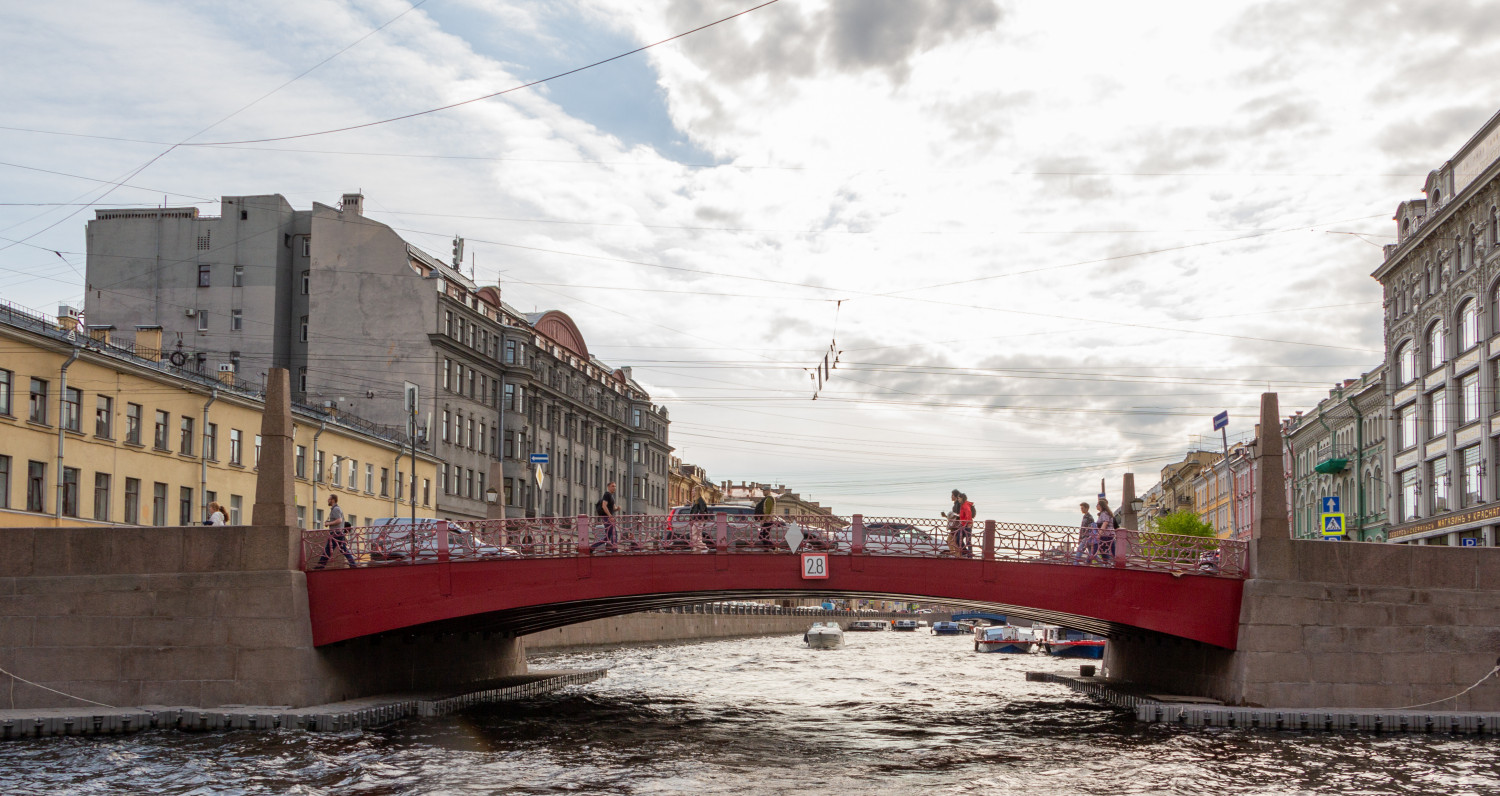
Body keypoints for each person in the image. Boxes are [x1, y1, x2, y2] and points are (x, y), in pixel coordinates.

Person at [314, 494, 356, 569]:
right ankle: (353, 564)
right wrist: (329, 523)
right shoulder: (335, 509)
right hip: (338, 533)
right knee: (343, 549)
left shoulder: (336, 509)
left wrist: (329, 523)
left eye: (329, 499)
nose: (328, 500)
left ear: (333, 500)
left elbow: (339, 520)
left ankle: (320, 566)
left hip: (336, 533)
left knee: (328, 550)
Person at [592, 481, 618, 552]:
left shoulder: (611, 496)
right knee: (614, 533)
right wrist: (610, 516)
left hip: (607, 517)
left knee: (607, 537)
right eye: (613, 486)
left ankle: (592, 548)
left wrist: (617, 508)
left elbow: (613, 508)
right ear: (608, 487)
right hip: (607, 518)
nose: (614, 488)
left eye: (615, 486)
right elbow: (604, 506)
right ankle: (615, 550)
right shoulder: (607, 495)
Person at [1094, 499, 1116, 565]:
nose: (1096, 506)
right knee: (1111, 551)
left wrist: (1099, 534)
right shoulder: (1106, 513)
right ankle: (1111, 565)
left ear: (1100, 506)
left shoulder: (1104, 513)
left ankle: (1107, 566)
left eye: (1097, 504)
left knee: (1104, 552)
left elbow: (1105, 523)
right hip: (1109, 535)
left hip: (1105, 536)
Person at [957, 492, 975, 558]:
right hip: (964, 525)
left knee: (963, 540)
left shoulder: (965, 505)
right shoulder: (963, 505)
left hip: (966, 525)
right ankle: (967, 553)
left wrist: (968, 523)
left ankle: (968, 554)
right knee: (962, 540)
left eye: (959, 498)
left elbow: (969, 513)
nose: (958, 499)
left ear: (962, 498)